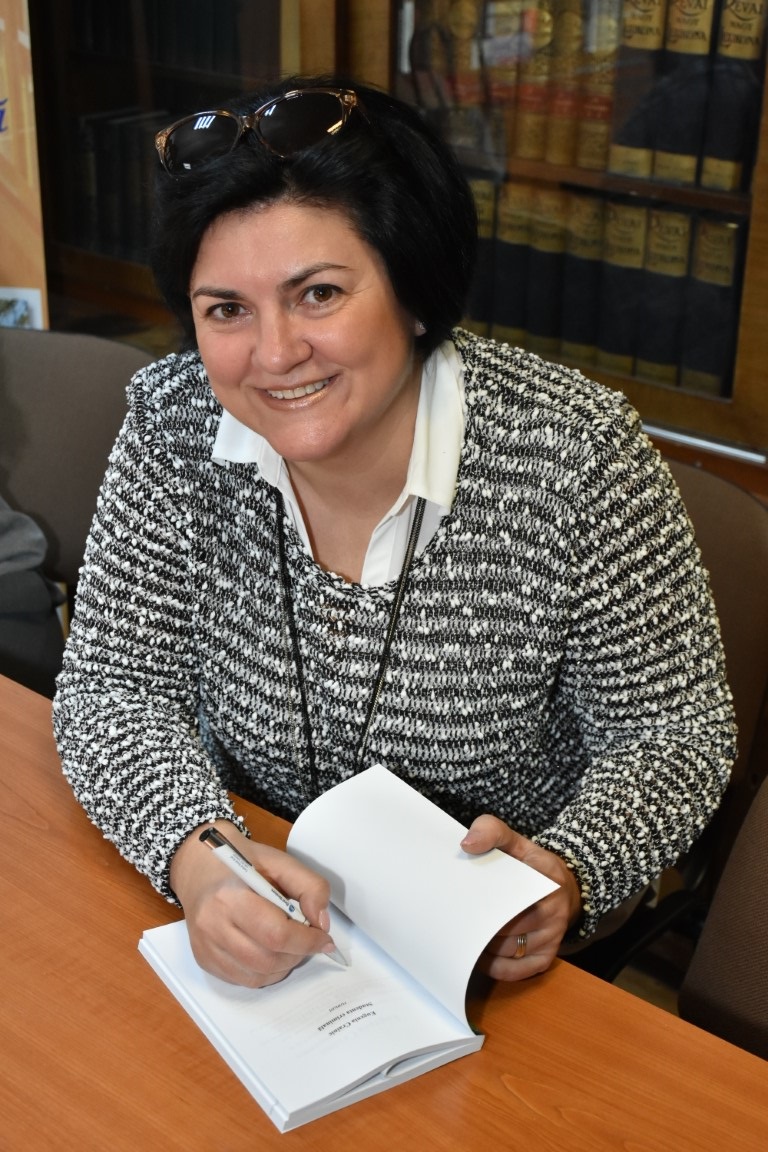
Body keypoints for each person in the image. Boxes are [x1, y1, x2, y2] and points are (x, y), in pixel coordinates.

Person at [54, 75, 736, 989]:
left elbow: (676, 733)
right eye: (226, 310)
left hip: (485, 948)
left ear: (414, 292)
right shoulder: (174, 421)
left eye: (318, 293)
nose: (274, 354)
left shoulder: (576, 456)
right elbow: (113, 687)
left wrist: (569, 869)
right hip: (260, 884)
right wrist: (197, 851)